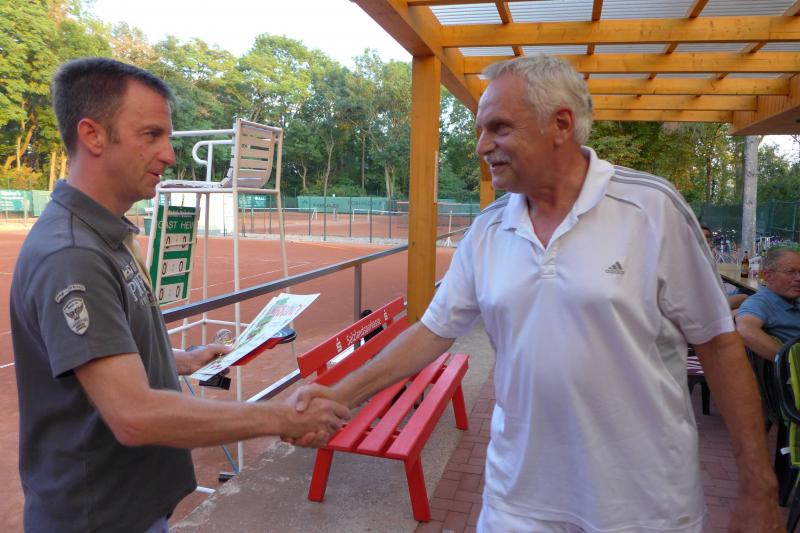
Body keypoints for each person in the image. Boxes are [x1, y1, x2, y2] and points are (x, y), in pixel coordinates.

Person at [288, 55, 781, 532]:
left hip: (643, 501)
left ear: (561, 124)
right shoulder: (488, 229)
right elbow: (433, 331)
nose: (482, 146)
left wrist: (759, 488)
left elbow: (719, 344)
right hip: (518, 496)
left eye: (499, 128)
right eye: (480, 130)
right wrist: (340, 394)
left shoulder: (650, 209)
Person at [10, 57, 349, 533]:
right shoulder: (73, 255)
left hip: (130, 507)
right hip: (98, 518)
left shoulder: (103, 234)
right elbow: (134, 414)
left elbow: (109, 351)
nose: (169, 155)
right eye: (151, 135)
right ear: (93, 135)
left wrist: (183, 360)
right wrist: (280, 418)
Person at [737, 246, 800, 360]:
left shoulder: (793, 298)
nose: (798, 278)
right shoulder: (760, 302)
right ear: (768, 276)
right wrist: (787, 362)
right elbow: (745, 330)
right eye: (790, 271)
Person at [701, 224, 748, 310]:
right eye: (701, 236)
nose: (705, 239)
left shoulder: (708, 257)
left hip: (717, 296)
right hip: (709, 303)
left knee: (742, 290)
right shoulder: (695, 259)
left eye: (707, 236)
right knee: (746, 297)